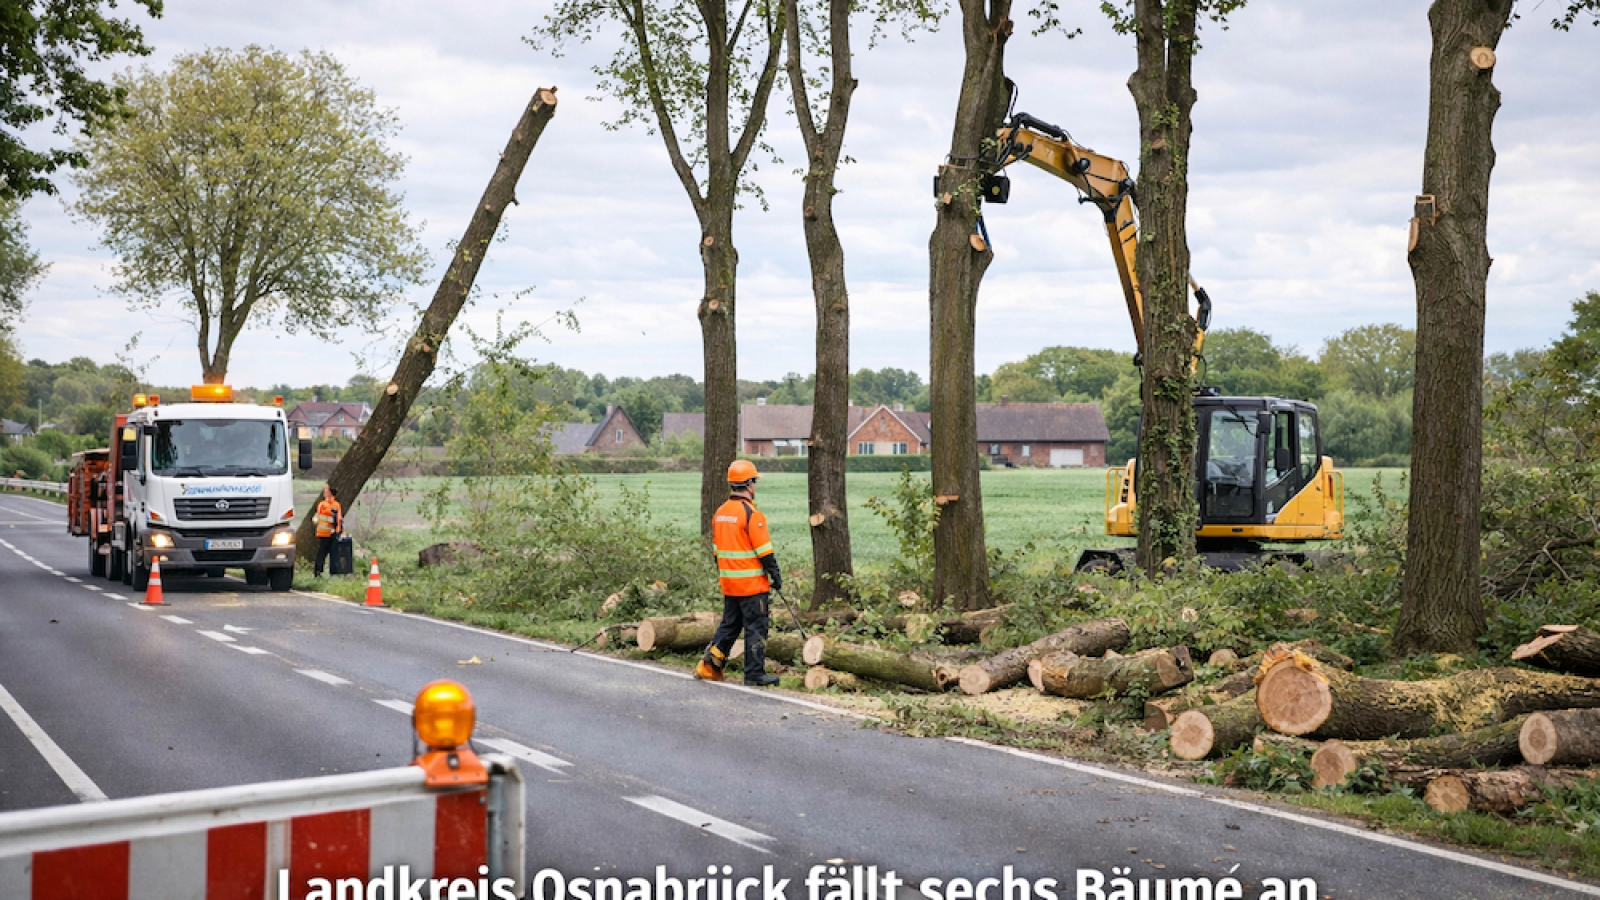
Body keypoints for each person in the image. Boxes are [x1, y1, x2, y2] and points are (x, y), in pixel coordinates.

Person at [696, 460, 782, 687]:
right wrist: (776, 575)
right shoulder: (751, 514)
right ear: (749, 484)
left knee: (730, 626)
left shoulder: (720, 513)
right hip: (752, 586)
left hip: (730, 584)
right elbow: (764, 551)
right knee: (756, 627)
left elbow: (717, 552)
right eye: (754, 481)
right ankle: (754, 673)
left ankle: (709, 666)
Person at [313, 484, 344, 577]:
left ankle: (317, 572)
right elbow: (339, 520)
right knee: (333, 553)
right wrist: (339, 531)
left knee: (321, 553)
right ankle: (333, 573)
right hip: (332, 533)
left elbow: (317, 518)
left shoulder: (322, 504)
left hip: (322, 533)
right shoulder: (336, 505)